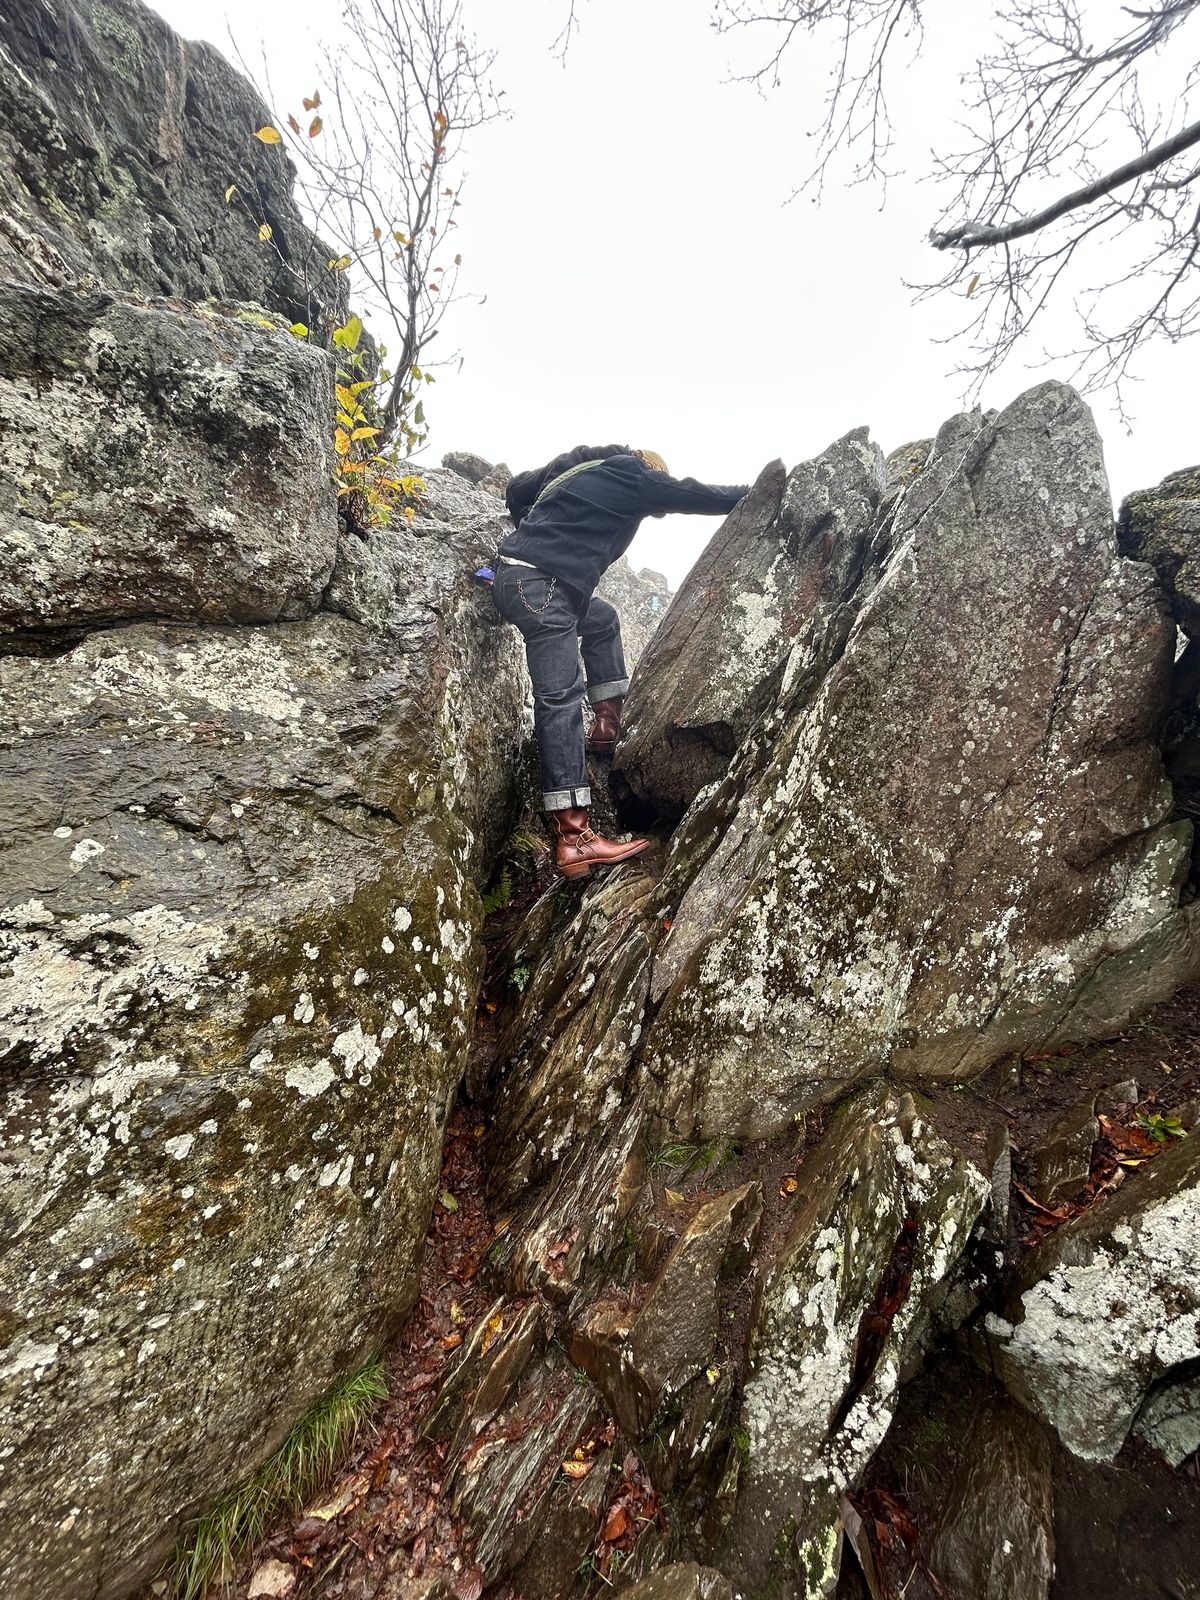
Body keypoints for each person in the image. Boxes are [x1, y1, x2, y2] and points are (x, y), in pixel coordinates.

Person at [493, 444, 750, 879]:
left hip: (516, 579)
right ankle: (574, 838)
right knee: (559, 697)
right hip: (544, 589)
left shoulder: (576, 466)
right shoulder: (633, 474)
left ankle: (607, 727)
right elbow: (691, 493)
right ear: (647, 469)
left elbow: (517, 490)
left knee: (602, 619)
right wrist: (755, 492)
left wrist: (545, 531)